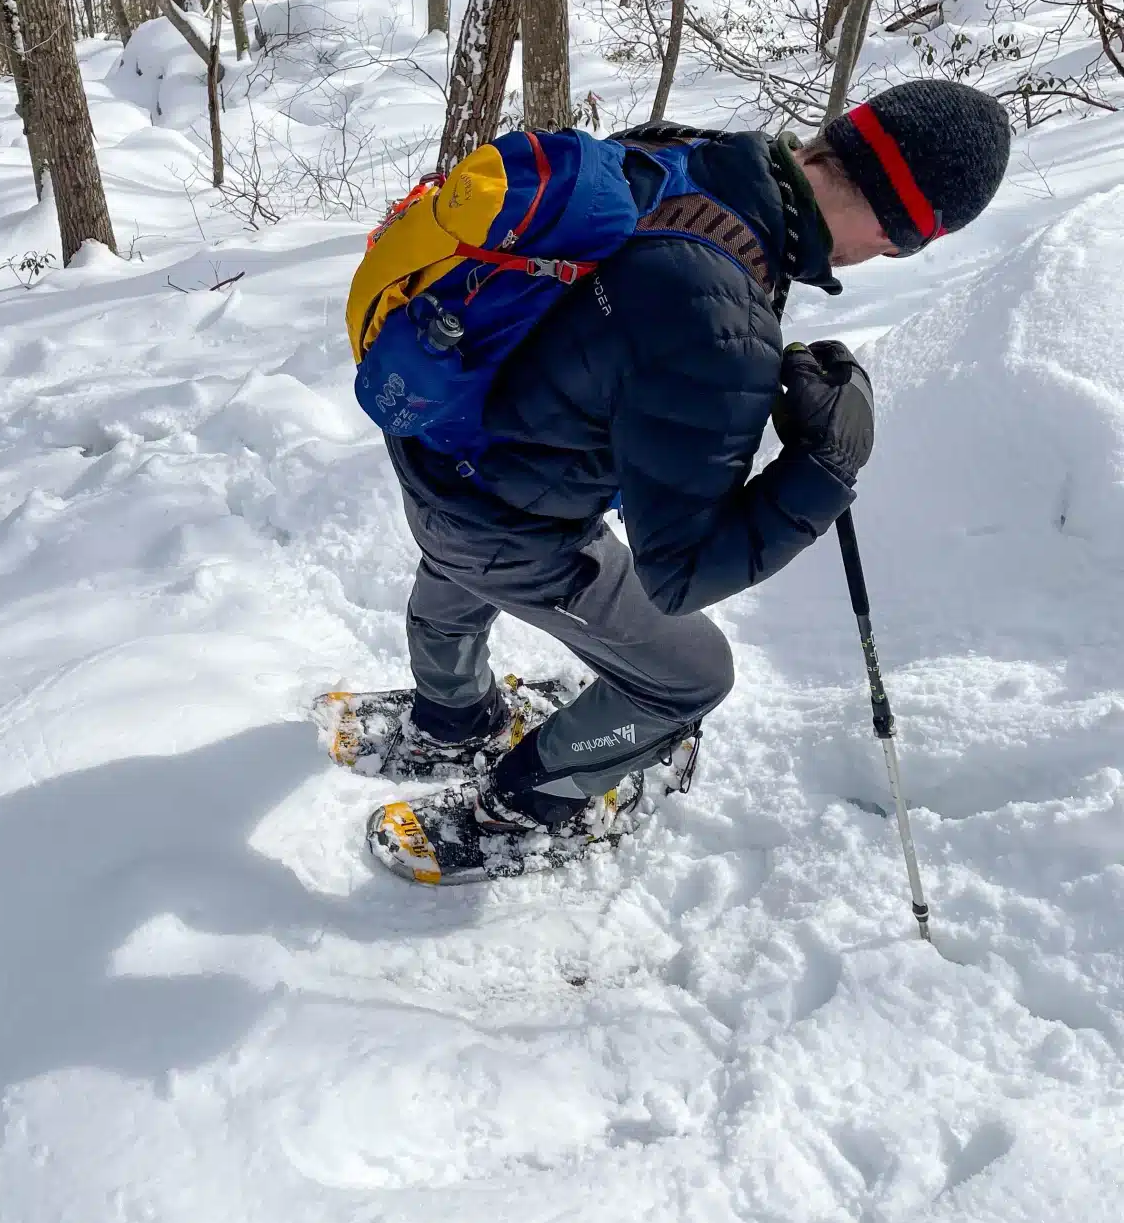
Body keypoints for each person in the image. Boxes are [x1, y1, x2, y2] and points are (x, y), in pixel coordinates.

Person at [383, 79, 1011, 850]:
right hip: (499, 518)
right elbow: (678, 575)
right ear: (905, 238)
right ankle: (514, 810)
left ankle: (449, 718)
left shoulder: (682, 151)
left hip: (435, 438)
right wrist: (826, 464)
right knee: (692, 676)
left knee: (465, 550)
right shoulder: (721, 325)